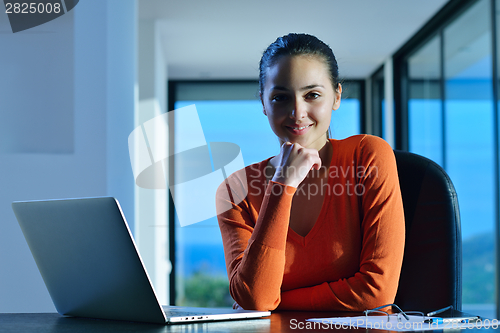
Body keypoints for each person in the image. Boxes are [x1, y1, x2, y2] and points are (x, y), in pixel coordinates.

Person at [215, 33, 405, 312]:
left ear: (336, 96)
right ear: (263, 103)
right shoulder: (236, 190)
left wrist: (278, 303)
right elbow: (256, 297)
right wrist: (282, 183)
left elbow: (377, 293)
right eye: (280, 97)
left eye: (312, 95)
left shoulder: (368, 155)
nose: (297, 112)